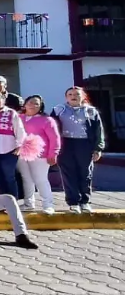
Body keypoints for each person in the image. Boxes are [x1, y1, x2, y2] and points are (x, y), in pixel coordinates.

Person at [52, 86, 105, 214]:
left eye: (77, 94)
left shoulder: (91, 111)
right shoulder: (58, 110)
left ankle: (85, 202)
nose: (73, 96)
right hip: (65, 144)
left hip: (84, 143)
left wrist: (98, 148)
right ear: (66, 97)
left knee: (85, 173)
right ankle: (73, 202)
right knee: (68, 173)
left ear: (83, 96)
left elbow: (99, 130)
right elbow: (51, 129)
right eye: (70, 94)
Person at [20, 95, 61, 214]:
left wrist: (53, 153)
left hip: (41, 155)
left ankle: (48, 205)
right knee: (26, 178)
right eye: (30, 102)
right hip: (21, 153)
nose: (32, 105)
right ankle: (28, 203)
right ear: (25, 104)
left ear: (41, 106)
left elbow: (54, 138)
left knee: (40, 179)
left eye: (36, 103)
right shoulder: (18, 117)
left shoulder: (47, 120)